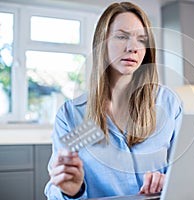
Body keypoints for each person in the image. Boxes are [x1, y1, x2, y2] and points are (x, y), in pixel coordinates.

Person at [44, 1, 182, 199]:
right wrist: (71, 192)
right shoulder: (71, 115)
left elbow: (187, 173)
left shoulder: (168, 103)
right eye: (121, 36)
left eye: (141, 40)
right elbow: (53, 190)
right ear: (102, 43)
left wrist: (168, 182)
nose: (133, 47)